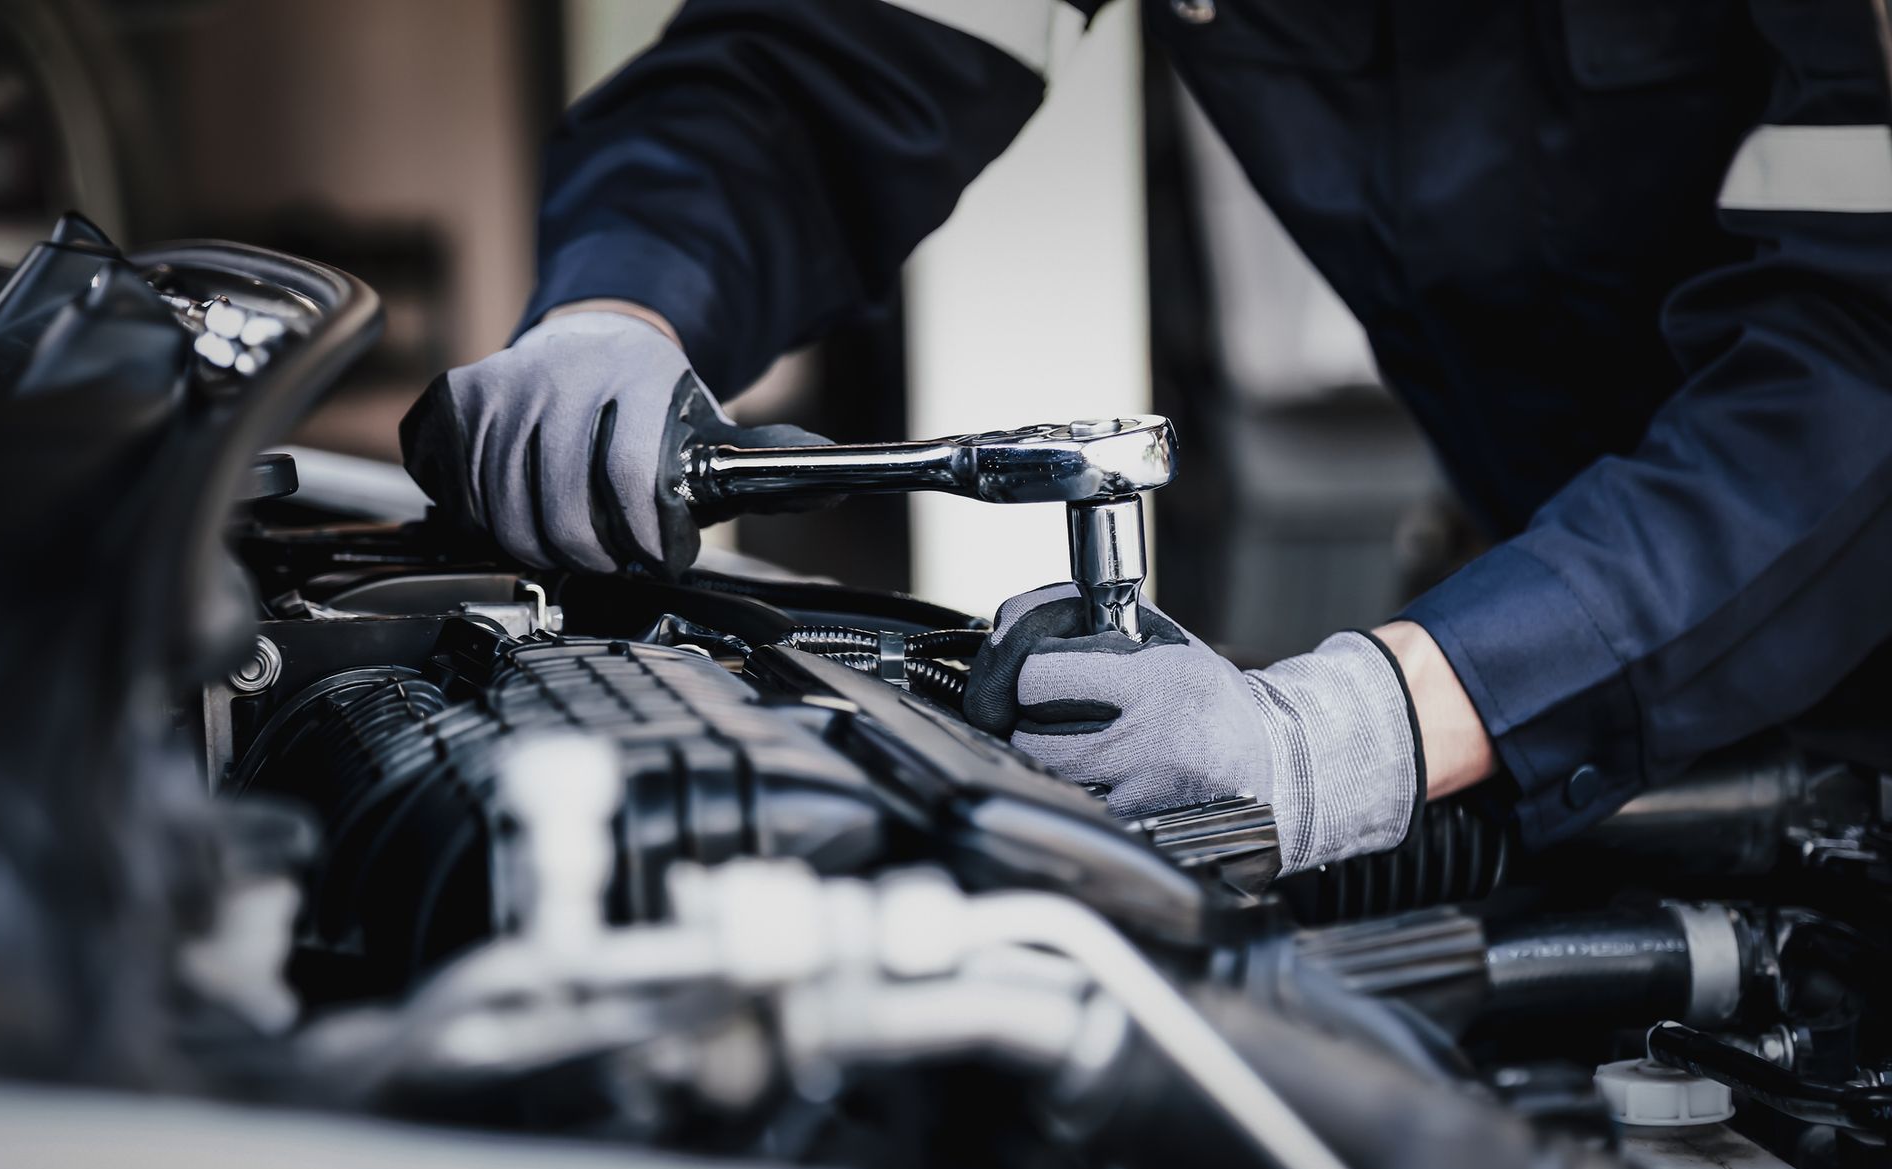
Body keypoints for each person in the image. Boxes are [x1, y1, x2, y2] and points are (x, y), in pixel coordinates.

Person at [402, 1, 1892, 874]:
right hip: (1567, 616)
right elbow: (811, 76)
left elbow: (1865, 355)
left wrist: (1375, 727)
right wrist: (620, 309)